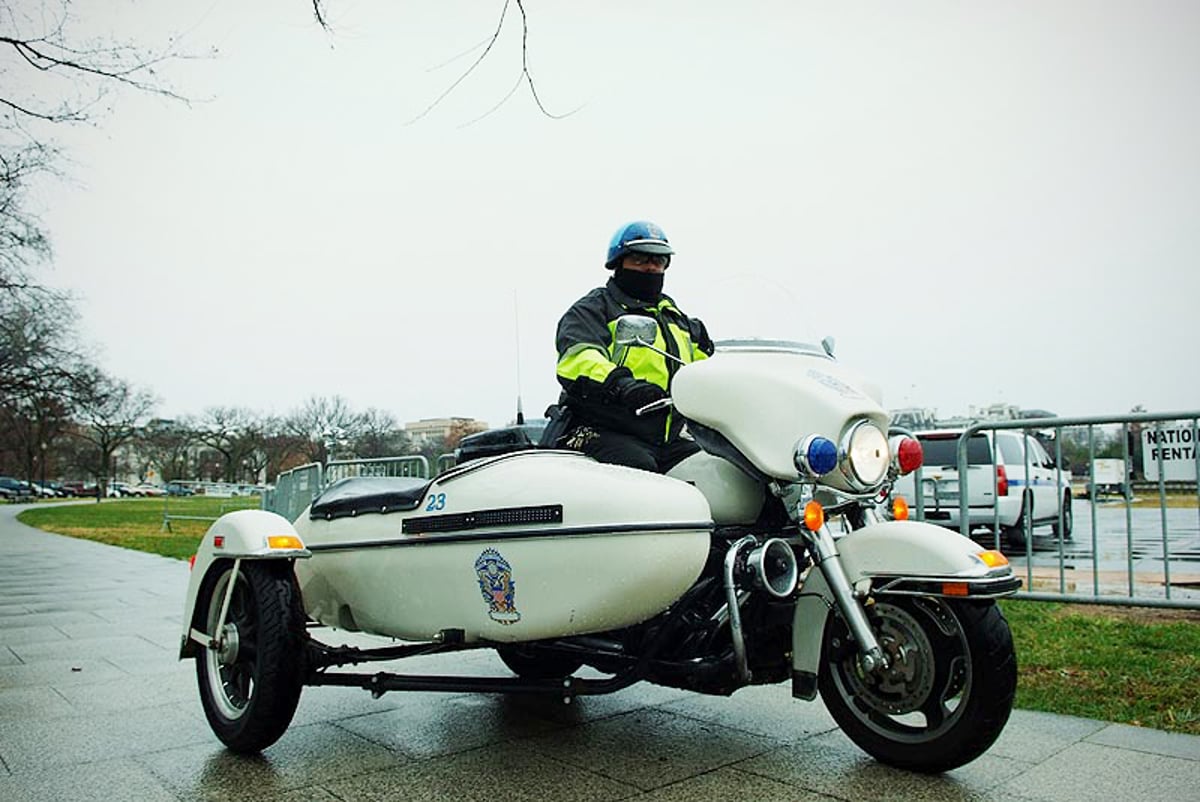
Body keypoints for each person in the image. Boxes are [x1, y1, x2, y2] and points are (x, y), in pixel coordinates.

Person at [552, 220, 714, 472]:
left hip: (666, 437)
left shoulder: (677, 319)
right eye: (640, 260)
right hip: (600, 429)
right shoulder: (595, 309)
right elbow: (579, 358)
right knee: (640, 472)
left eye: (658, 261)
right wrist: (623, 386)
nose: (651, 267)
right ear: (618, 262)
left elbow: (704, 373)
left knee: (722, 471)